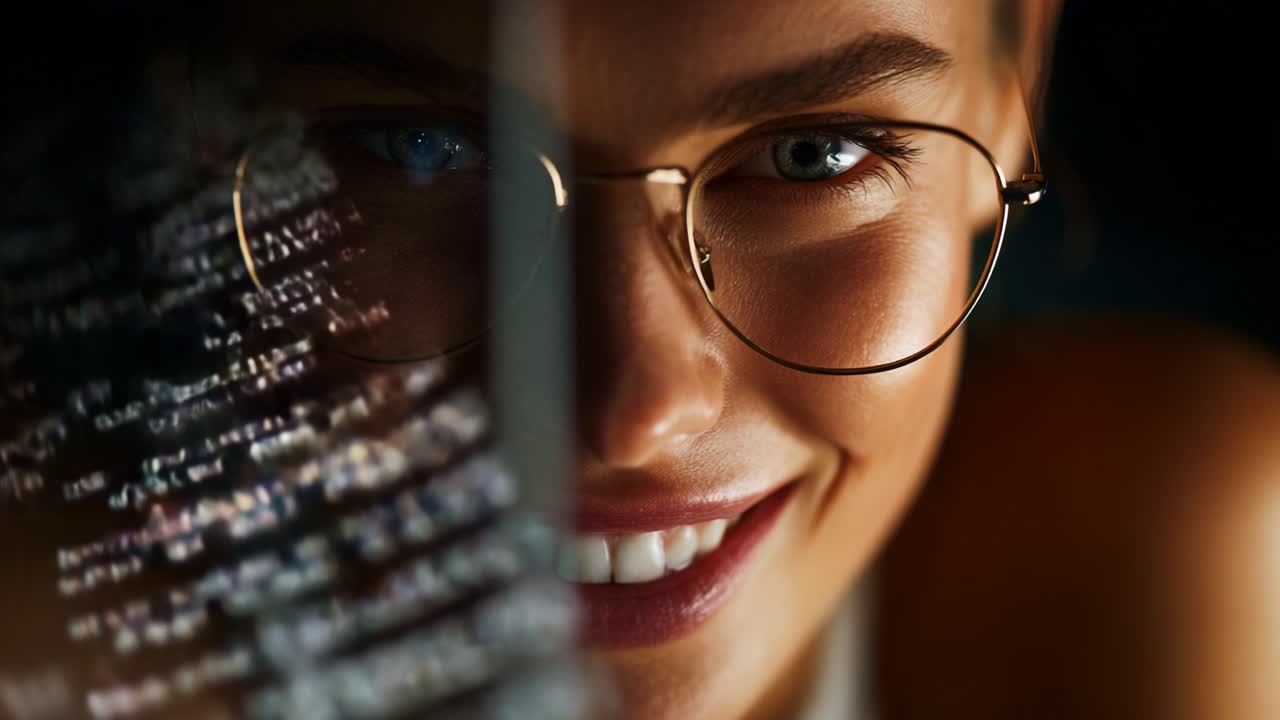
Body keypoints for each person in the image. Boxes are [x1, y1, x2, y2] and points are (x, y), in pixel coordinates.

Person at [11, 1, 1276, 719]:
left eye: (810, 156)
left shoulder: (1156, 541)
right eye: (416, 149)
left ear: (1017, 86)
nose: (632, 408)